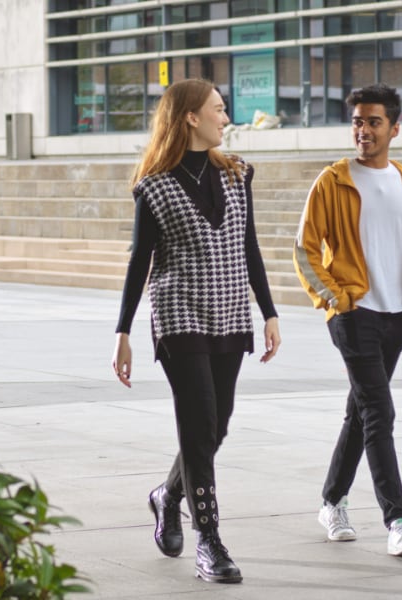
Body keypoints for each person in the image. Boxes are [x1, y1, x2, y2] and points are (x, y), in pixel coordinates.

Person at [113, 79, 280, 585]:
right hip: (179, 314)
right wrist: (122, 332)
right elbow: (140, 261)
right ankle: (209, 539)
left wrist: (269, 312)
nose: (225, 117)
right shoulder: (155, 186)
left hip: (230, 312)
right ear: (190, 116)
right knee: (199, 418)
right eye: (218, 109)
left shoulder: (238, 175)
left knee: (216, 425)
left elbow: (249, 246)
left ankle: (167, 495)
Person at [294, 84, 402, 558]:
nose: (363, 130)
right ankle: (398, 519)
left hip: (397, 316)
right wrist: (335, 300)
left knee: (361, 412)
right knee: (380, 411)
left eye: (373, 122)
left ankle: (331, 500)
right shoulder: (334, 180)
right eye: (357, 121)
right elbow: (305, 248)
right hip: (353, 314)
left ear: (395, 129)